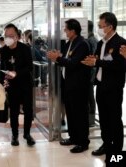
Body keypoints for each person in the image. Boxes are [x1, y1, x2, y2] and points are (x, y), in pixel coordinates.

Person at [81, 12, 126, 156]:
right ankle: (106, 144)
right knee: (104, 119)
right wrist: (92, 61)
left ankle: (117, 150)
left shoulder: (121, 43)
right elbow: (98, 61)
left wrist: (97, 62)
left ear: (110, 27)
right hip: (100, 86)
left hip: (114, 88)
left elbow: (119, 65)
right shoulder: (101, 43)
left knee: (115, 119)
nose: (99, 29)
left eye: (101, 26)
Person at [47, 19, 91, 153]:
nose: (64, 32)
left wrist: (58, 58)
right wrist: (58, 57)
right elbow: (65, 60)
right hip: (68, 84)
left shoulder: (82, 44)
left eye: (66, 29)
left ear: (73, 31)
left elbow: (73, 63)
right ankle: (73, 137)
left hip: (79, 86)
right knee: (71, 113)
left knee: (79, 114)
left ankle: (83, 142)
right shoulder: (70, 43)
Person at [0, 23, 35, 147]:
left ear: (17, 36)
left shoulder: (25, 48)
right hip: (12, 85)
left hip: (25, 83)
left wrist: (17, 73)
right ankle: (15, 135)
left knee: (28, 110)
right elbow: (2, 66)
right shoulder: (3, 50)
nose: (8, 38)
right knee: (13, 111)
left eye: (11, 35)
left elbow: (29, 67)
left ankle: (27, 134)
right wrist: (6, 74)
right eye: (6, 36)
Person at [87, 20, 98, 127]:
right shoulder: (89, 39)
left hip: (90, 73)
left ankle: (90, 120)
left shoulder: (92, 40)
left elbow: (93, 58)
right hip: (89, 73)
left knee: (90, 96)